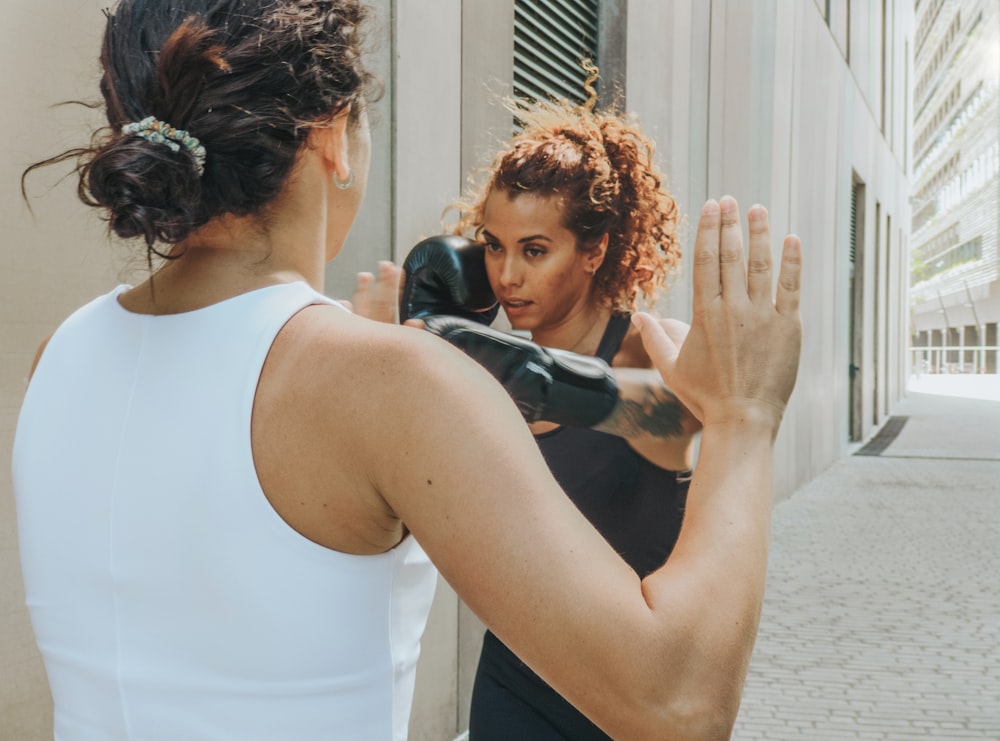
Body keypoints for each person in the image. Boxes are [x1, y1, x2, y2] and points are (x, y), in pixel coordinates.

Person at [12, 2, 803, 740]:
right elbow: (677, 700)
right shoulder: (386, 383)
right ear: (331, 137)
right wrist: (743, 415)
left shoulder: (61, 355)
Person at [431, 72, 704, 740]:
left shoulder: (654, 352)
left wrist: (489, 367)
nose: (507, 276)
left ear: (594, 249)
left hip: (625, 692)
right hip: (512, 683)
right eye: (493, 246)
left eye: (534, 250)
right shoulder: (480, 363)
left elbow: (672, 417)